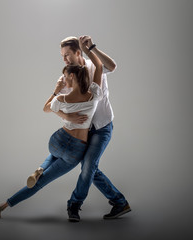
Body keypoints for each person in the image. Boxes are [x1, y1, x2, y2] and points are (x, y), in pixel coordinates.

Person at [0, 37, 103, 219]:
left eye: (65, 77)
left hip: (57, 141)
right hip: (76, 149)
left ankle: (35, 173)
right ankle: (6, 203)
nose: (63, 81)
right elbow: (98, 67)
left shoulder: (61, 99)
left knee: (50, 161)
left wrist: (57, 93)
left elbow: (46, 108)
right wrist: (88, 49)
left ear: (72, 76)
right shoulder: (94, 96)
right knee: (44, 178)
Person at [56, 36, 131, 222]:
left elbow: (112, 66)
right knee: (91, 167)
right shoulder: (68, 76)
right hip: (83, 131)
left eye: (67, 55)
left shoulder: (94, 66)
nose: (64, 60)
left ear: (78, 52)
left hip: (103, 127)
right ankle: (119, 202)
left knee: (88, 166)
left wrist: (92, 48)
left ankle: (74, 204)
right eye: (62, 56)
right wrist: (66, 115)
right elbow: (56, 105)